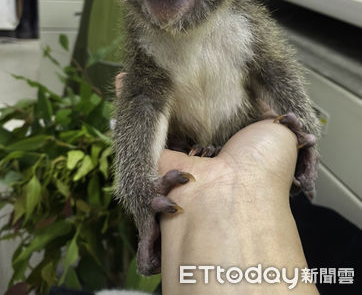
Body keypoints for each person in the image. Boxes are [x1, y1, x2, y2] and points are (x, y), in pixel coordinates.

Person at [115, 73, 318, 294]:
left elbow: (273, 69)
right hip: (184, 141)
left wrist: (304, 128)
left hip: (232, 133)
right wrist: (139, 192)